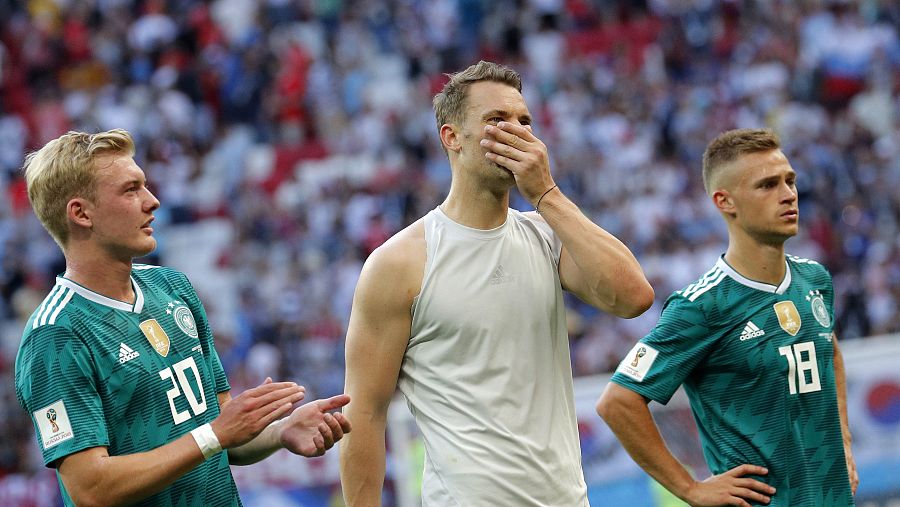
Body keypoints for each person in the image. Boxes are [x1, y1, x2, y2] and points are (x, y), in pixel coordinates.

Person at [339, 60, 654, 506]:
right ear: (452, 138)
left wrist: (546, 194)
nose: (518, 132)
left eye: (525, 121)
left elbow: (634, 297)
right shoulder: (400, 262)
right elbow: (365, 413)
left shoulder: (546, 236)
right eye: (496, 120)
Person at [14, 129, 352, 506]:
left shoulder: (172, 288)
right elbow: (90, 488)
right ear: (80, 213)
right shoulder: (56, 335)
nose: (152, 201)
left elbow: (222, 429)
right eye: (131, 190)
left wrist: (280, 431)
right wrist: (217, 434)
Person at [597, 128, 859, 506]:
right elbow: (617, 401)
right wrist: (690, 488)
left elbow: (828, 352)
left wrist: (844, 439)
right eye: (767, 185)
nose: (788, 194)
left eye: (790, 181)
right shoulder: (702, 306)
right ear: (725, 201)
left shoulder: (814, 279)